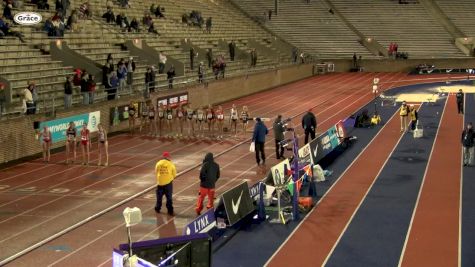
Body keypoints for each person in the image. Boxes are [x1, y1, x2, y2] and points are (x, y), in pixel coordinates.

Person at [155, 151, 176, 215]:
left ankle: (157, 208)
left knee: (159, 197)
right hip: (168, 183)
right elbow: (174, 173)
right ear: (168, 157)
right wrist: (171, 178)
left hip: (160, 183)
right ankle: (170, 210)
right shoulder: (171, 164)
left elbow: (156, 172)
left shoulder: (158, 163)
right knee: (169, 197)